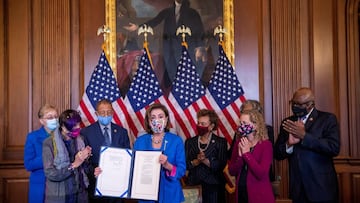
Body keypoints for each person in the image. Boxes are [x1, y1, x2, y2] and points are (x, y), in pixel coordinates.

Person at [274, 87, 340, 203]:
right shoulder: (287, 122)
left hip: (321, 187)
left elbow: (333, 148)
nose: (295, 106)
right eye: (293, 103)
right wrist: (289, 144)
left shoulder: (327, 119)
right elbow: (277, 154)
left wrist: (304, 136)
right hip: (298, 188)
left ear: (310, 104)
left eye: (299, 104)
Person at [124, 0, 205, 85]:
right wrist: (138, 27)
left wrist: (199, 47)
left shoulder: (193, 13)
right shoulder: (168, 12)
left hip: (188, 50)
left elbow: (199, 31)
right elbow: (155, 21)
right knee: (173, 75)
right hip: (170, 50)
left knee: (187, 76)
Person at [133, 103, 186, 203]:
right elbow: (133, 168)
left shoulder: (176, 141)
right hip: (146, 195)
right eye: (153, 117)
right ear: (148, 122)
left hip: (170, 195)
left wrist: (168, 165)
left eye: (160, 116)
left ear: (166, 120)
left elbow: (181, 171)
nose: (156, 120)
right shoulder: (140, 141)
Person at [81, 99, 130, 203]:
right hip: (96, 185)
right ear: (96, 113)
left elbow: (127, 156)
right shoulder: (86, 132)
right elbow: (84, 161)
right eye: (102, 112)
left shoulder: (122, 132)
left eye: (109, 112)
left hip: (118, 186)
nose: (106, 115)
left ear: (112, 113)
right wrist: (92, 171)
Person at [42, 109, 92, 203]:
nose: (78, 128)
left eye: (78, 124)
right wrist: (73, 165)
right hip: (60, 195)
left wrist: (86, 158)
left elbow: (86, 169)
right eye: (74, 126)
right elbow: (50, 173)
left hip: (80, 194)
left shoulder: (80, 140)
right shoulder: (49, 143)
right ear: (63, 127)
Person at [228, 110, 275, 203]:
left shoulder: (266, 145)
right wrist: (241, 158)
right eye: (240, 123)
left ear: (256, 125)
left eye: (244, 123)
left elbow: (261, 173)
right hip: (241, 193)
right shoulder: (239, 143)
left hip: (259, 195)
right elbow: (232, 171)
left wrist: (246, 154)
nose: (241, 126)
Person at [185, 109, 227, 203]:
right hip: (193, 186)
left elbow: (220, 165)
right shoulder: (190, 142)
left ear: (211, 126)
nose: (200, 126)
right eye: (198, 123)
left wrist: (205, 160)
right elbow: (186, 164)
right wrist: (196, 161)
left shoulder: (220, 142)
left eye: (203, 124)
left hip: (214, 188)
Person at [228, 99, 275, 181]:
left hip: (258, 182)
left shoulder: (266, 134)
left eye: (251, 112)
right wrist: (240, 157)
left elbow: (265, 161)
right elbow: (232, 161)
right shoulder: (240, 134)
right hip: (242, 181)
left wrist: (246, 154)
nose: (247, 114)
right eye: (244, 112)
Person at [24, 104, 58, 203]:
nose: (54, 120)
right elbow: (29, 165)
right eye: (50, 117)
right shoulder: (33, 137)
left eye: (56, 117)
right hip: (41, 185)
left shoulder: (63, 136)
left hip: (61, 186)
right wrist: (48, 157)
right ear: (42, 121)